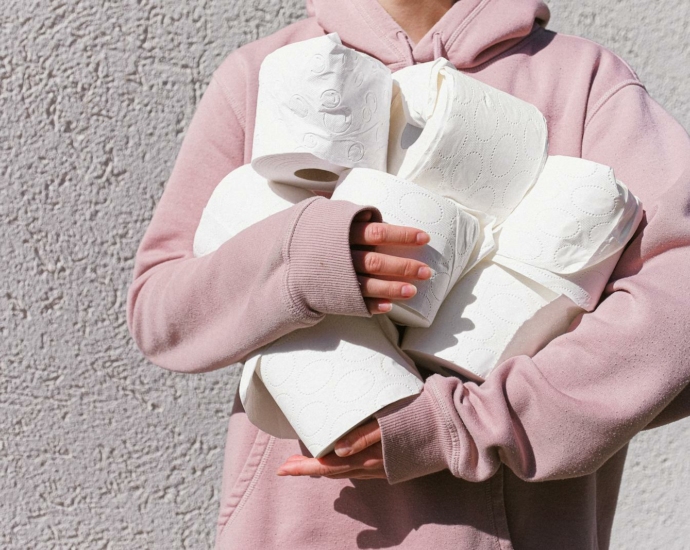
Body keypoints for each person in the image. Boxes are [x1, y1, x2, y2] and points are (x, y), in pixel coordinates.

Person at [126, 0, 690, 548]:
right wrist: (305, 261)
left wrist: (473, 424)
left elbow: (676, 304)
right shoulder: (266, 75)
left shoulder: (583, 80)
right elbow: (161, 312)